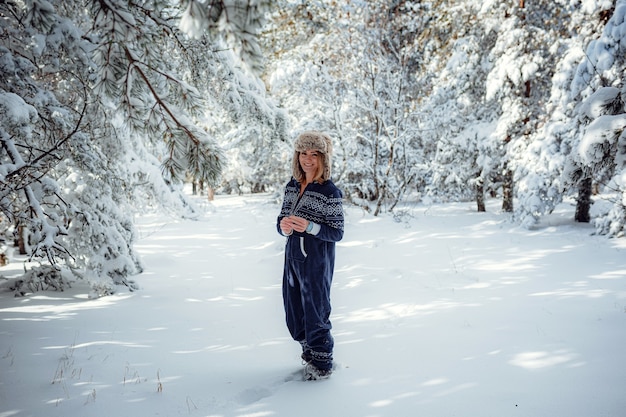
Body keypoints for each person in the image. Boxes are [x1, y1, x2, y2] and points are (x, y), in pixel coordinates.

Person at [276, 131, 344, 380]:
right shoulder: (292, 187)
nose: (308, 159)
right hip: (292, 260)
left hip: (316, 264)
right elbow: (281, 218)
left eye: (314, 154)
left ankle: (323, 364)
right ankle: (309, 353)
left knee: (316, 311)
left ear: (323, 158)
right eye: (303, 153)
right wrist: (283, 226)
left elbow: (337, 232)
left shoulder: (329, 192)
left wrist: (310, 227)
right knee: (294, 311)